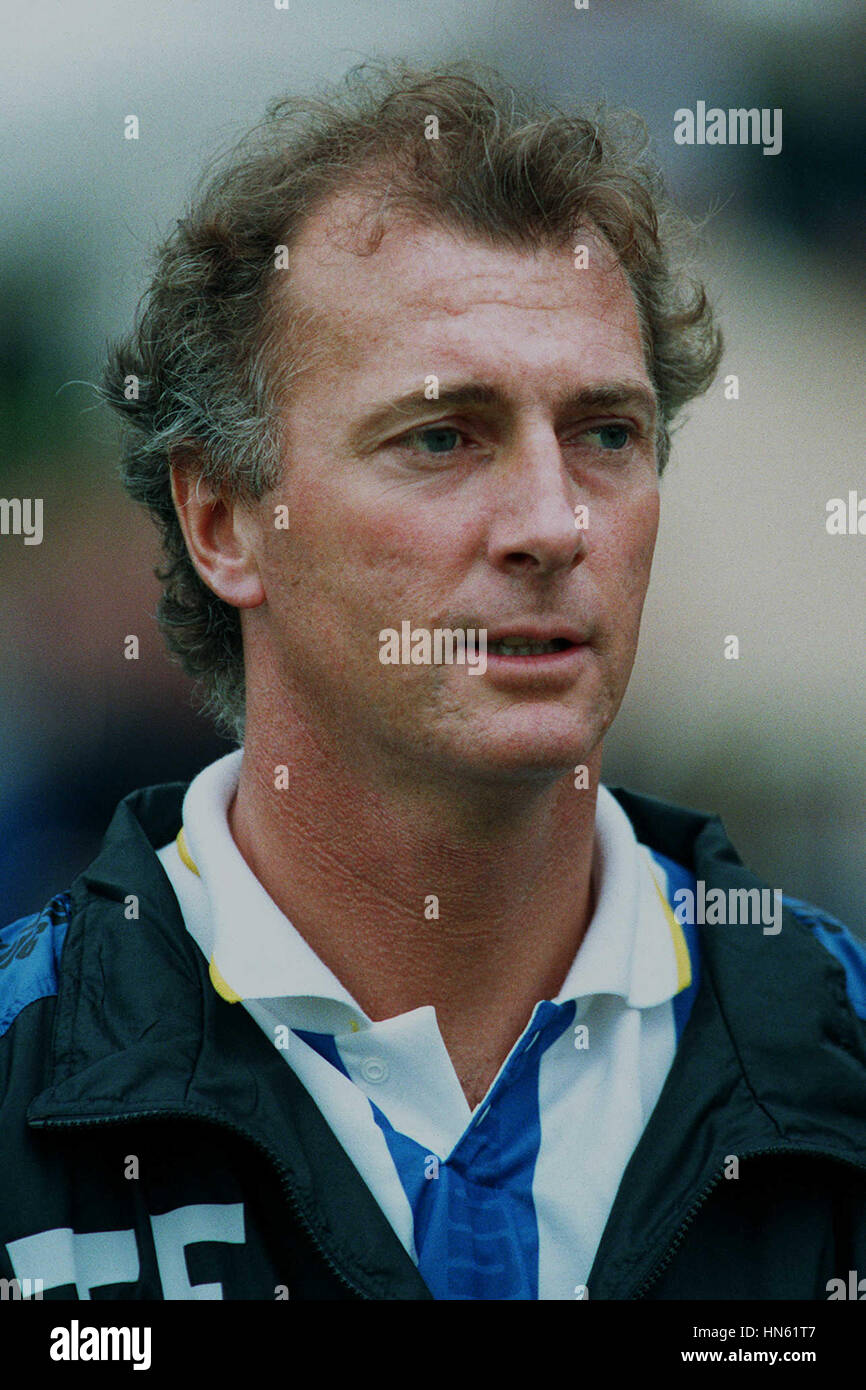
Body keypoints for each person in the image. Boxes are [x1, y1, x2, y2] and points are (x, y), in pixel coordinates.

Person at [1, 62, 864, 1303]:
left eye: (604, 434)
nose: (552, 523)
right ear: (223, 518)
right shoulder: (22, 1083)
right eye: (442, 436)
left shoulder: (832, 1053)